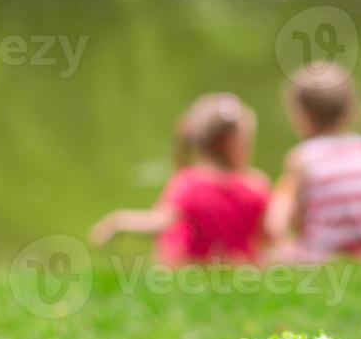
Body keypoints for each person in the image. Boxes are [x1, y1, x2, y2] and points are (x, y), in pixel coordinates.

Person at [90, 93, 270, 265]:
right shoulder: (257, 185)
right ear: (235, 143)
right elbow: (269, 236)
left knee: (170, 244)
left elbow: (158, 223)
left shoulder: (190, 184)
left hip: (192, 267)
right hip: (242, 269)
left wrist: (119, 222)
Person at [265, 64, 361, 261]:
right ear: (349, 111)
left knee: (271, 255)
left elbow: (275, 224)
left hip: (323, 254)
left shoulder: (303, 157)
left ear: (302, 117)